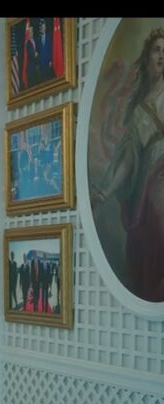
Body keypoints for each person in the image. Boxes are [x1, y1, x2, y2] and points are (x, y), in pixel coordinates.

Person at [91, 28, 164, 302]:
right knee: (149, 240)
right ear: (147, 58)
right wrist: (105, 193)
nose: (162, 56)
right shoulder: (138, 112)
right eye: (157, 50)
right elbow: (128, 163)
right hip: (151, 189)